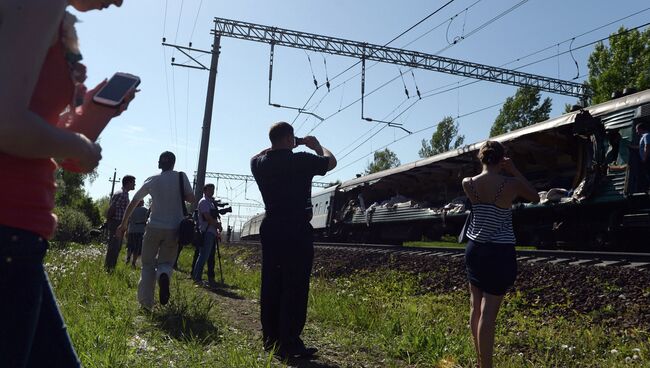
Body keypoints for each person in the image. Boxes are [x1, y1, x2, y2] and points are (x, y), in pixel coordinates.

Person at [0, 1, 134, 366]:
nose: (121, 2)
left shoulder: (54, 18)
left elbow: (52, 149)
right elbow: (7, 125)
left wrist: (93, 115)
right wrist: (79, 146)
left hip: (19, 236)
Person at [251, 122, 336, 359]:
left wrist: (289, 142)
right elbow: (331, 161)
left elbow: (259, 153)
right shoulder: (302, 161)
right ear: (289, 139)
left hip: (271, 227)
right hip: (296, 228)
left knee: (271, 282)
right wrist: (317, 146)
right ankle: (290, 342)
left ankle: (271, 339)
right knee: (295, 284)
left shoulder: (258, 164)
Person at [461, 141, 539, 368]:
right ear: (502, 158)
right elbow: (535, 197)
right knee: (488, 313)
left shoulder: (468, 183)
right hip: (499, 251)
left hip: (475, 249)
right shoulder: (511, 184)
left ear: (481, 157)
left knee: (475, 307)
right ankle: (486, 366)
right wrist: (513, 170)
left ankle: (480, 361)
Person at [117, 151, 195, 310]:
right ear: (173, 163)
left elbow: (134, 201)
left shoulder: (152, 180)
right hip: (174, 228)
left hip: (154, 227)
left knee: (147, 264)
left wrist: (124, 223)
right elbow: (191, 198)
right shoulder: (181, 176)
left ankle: (146, 304)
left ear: (160, 163)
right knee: (166, 262)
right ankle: (164, 274)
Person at [105, 174, 135, 271]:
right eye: (133, 182)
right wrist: (109, 221)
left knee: (116, 247)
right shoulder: (122, 194)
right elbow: (112, 208)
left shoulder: (124, 193)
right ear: (128, 183)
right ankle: (109, 269)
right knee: (114, 246)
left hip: (119, 224)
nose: (134, 184)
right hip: (116, 223)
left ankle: (110, 268)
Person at [192, 184, 220, 283]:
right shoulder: (204, 202)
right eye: (209, 190)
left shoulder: (211, 202)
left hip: (210, 231)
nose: (212, 192)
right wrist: (217, 225)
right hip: (206, 231)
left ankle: (197, 277)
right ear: (204, 191)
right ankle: (197, 278)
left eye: (213, 190)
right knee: (203, 255)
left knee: (204, 255)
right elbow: (207, 217)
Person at [125, 200, 148, 268]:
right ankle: (133, 263)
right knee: (137, 247)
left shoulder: (131, 210)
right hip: (140, 231)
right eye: (143, 202)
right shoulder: (145, 210)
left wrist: (126, 231)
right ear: (141, 203)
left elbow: (128, 221)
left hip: (131, 230)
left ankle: (128, 259)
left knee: (130, 246)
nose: (144, 203)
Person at [636, 123, 650, 191]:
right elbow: (641, 147)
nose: (636, 131)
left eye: (637, 130)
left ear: (640, 129)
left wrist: (644, 157)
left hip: (647, 159)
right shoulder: (643, 137)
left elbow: (647, 146)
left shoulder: (646, 135)